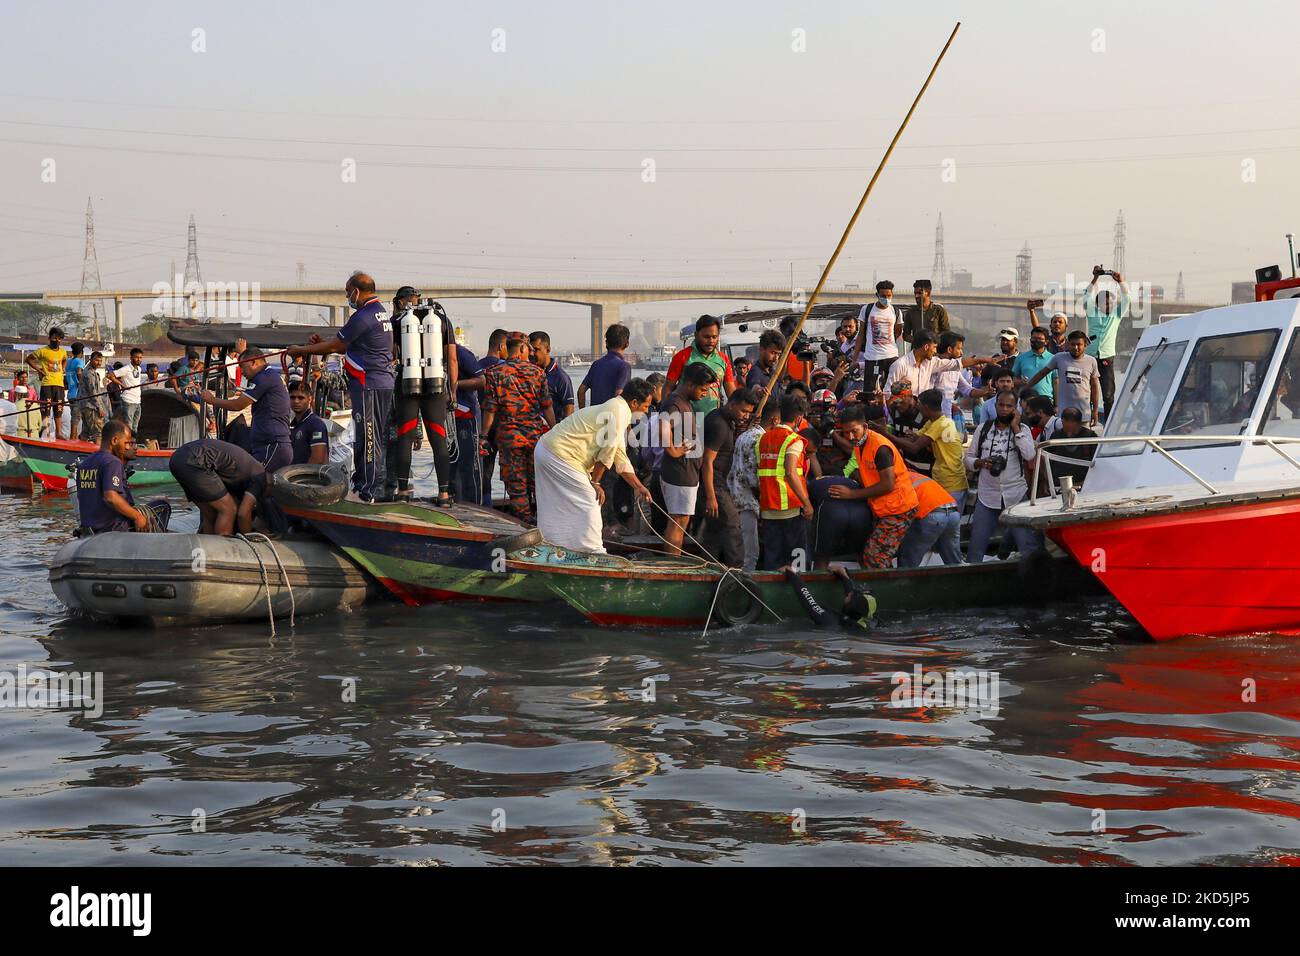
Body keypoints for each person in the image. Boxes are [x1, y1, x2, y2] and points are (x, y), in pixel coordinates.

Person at [287, 272, 394, 502]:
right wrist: (321, 345)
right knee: (369, 438)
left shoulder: (364, 315)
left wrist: (301, 351)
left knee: (368, 438)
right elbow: (346, 346)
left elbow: (338, 344)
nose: (347, 297)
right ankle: (365, 486)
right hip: (377, 384)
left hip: (369, 384)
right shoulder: (379, 313)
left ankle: (366, 491)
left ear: (357, 291)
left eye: (348, 292)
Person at [535, 378, 654, 552]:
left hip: (549, 451)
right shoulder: (618, 410)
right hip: (559, 454)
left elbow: (620, 458)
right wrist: (596, 483)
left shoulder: (618, 409)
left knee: (558, 504)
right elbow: (608, 453)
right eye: (646, 406)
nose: (647, 410)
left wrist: (638, 486)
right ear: (634, 402)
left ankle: (556, 545)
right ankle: (594, 551)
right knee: (591, 500)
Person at [386, 289, 457, 505]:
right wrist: (452, 391)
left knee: (405, 437)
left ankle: (403, 492)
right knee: (438, 438)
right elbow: (452, 359)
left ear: (400, 302)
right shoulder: (441, 319)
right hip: (435, 384)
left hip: (407, 383)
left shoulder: (396, 320)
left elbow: (391, 354)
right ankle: (444, 494)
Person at [829, 404, 918, 568]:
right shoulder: (860, 444)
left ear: (865, 427)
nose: (849, 436)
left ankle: (883, 592)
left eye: (854, 431)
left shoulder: (880, 447)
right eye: (845, 432)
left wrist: (851, 494)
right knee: (871, 555)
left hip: (898, 509)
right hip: (883, 508)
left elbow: (888, 484)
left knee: (875, 557)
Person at [481, 333, 554, 523]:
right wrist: (555, 432)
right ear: (522, 348)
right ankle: (544, 523)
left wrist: (483, 436)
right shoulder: (538, 373)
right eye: (528, 349)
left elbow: (490, 409)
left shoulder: (494, 373)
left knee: (517, 487)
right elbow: (547, 407)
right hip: (535, 438)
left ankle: (523, 527)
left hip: (509, 438)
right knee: (539, 483)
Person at [963, 390, 1041, 562]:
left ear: (1016, 408)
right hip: (987, 496)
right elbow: (967, 459)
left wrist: (1015, 427)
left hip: (1016, 495)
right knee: (976, 547)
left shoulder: (1023, 430)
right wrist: (980, 463)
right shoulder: (983, 429)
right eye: (1001, 405)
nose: (1004, 409)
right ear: (995, 406)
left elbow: (1029, 455)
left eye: (1009, 406)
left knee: (1028, 548)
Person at [201, 345, 292, 472]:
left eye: (242, 367)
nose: (242, 372)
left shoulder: (264, 377)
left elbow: (238, 405)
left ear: (254, 363)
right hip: (267, 445)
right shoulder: (267, 375)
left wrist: (211, 400)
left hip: (272, 445)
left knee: (254, 482)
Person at [658, 361, 717, 555]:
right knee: (678, 520)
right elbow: (662, 429)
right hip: (679, 473)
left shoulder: (684, 403)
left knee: (681, 520)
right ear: (690, 384)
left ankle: (673, 563)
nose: (705, 393)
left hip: (686, 472)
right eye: (703, 388)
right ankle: (672, 566)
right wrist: (674, 451)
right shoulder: (674, 403)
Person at [75, 421, 170, 534]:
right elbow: (111, 497)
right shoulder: (112, 461)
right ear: (114, 440)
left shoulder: (85, 463)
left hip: (90, 527)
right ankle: (155, 544)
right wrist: (138, 517)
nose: (129, 447)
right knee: (163, 506)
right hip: (113, 527)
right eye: (127, 443)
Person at [699, 387, 758, 567]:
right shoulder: (719, 424)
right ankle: (737, 570)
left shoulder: (724, 418)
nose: (746, 416)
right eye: (743, 411)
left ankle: (707, 566)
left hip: (719, 481)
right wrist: (711, 496)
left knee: (714, 528)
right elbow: (707, 461)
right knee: (733, 523)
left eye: (749, 412)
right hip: (715, 483)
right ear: (731, 405)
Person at [757, 392, 815, 570]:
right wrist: (807, 503)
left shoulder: (764, 438)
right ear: (799, 418)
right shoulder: (794, 440)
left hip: (768, 508)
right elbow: (790, 472)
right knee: (797, 562)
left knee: (772, 561)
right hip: (790, 508)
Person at [168, 438, 271, 536]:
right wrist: (249, 539)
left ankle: (206, 549)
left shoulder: (243, 475)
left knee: (211, 515)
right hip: (196, 460)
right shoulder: (261, 478)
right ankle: (224, 550)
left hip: (179, 458)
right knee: (228, 509)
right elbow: (243, 514)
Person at [728, 401, 777, 573]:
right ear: (775, 420)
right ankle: (747, 584)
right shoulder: (759, 439)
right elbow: (752, 475)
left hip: (738, 494)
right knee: (751, 553)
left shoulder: (746, 434)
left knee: (746, 548)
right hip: (749, 499)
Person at [1082, 266, 1131, 419]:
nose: (1108, 306)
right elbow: (1086, 295)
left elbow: (1127, 298)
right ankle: (1088, 417)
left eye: (1110, 303)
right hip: (1089, 357)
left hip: (1107, 358)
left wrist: (1121, 281)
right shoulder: (1092, 312)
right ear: (1098, 304)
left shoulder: (1117, 315)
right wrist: (1095, 277)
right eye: (1105, 303)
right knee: (1086, 391)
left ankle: (1109, 421)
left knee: (1108, 393)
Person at [1027, 330, 1101, 427]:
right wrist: (1026, 387)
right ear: (1067, 344)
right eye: (1072, 344)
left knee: (1083, 441)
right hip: (1063, 415)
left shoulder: (1091, 361)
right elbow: (1042, 373)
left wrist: (1095, 411)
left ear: (1085, 345)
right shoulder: (1059, 358)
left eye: (1079, 344)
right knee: (1062, 441)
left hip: (1084, 414)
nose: (1075, 347)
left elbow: (1095, 387)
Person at [665, 315, 736, 414]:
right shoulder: (682, 357)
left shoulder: (723, 359)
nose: (711, 341)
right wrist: (666, 412)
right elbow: (668, 388)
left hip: (713, 418)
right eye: (706, 337)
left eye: (714, 337)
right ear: (696, 335)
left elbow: (731, 392)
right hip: (687, 417)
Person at [912, 387, 968, 512]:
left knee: (950, 525)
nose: (917, 407)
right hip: (942, 481)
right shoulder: (933, 422)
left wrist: (885, 435)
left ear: (926, 407)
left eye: (919, 404)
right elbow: (914, 439)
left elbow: (914, 447)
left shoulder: (940, 424)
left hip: (952, 484)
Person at [896, 470, 961, 567]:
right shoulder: (915, 476)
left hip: (931, 514)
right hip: (953, 512)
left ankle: (904, 581)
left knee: (908, 560)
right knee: (953, 561)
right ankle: (961, 580)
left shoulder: (897, 481)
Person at [450, 341, 486, 505]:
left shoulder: (461, 353)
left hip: (466, 415)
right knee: (450, 466)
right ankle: (454, 502)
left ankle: (474, 506)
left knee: (470, 466)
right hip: (447, 418)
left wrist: (455, 384)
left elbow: (481, 380)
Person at [478, 328, 510, 506]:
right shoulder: (506, 368)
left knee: (485, 472)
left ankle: (486, 505)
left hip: (483, 427)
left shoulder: (476, 366)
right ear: (501, 346)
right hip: (504, 427)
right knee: (511, 473)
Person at [853, 280, 903, 392]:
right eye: (883, 296)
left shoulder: (896, 312)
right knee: (870, 391)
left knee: (894, 390)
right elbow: (860, 334)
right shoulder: (867, 309)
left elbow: (898, 332)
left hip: (891, 356)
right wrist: (854, 358)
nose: (886, 299)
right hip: (872, 357)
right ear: (877, 295)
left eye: (889, 296)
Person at [1040, 406, 1098, 489]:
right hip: (1058, 486)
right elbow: (1045, 459)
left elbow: (1097, 464)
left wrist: (1087, 483)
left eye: (1072, 429)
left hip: (1083, 485)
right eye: (1065, 428)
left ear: (1078, 423)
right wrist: (1046, 481)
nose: (1068, 434)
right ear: (1062, 421)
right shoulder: (1056, 436)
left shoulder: (1090, 437)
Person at [27, 327, 67, 440]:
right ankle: (46, 432)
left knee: (59, 410)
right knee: (45, 410)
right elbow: (28, 359)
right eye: (55, 338)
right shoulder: (42, 351)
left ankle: (58, 433)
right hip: (47, 384)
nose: (57, 340)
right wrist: (39, 370)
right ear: (49, 338)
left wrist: (63, 369)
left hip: (59, 384)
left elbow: (64, 359)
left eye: (59, 339)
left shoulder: (62, 351)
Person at [578, 324, 632, 408]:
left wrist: (583, 413)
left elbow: (581, 391)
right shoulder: (624, 367)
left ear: (606, 343)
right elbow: (619, 394)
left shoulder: (596, 364)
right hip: (612, 418)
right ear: (627, 343)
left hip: (594, 418)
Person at [528, 331, 575, 422]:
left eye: (536, 350)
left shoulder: (561, 377)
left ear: (548, 350)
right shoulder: (529, 373)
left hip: (552, 431)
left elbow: (569, 409)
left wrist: (561, 433)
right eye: (530, 350)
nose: (532, 354)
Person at [288, 381, 329, 465]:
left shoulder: (315, 424)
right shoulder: (292, 425)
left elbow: (318, 459)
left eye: (301, 398)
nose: (296, 401)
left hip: (310, 476)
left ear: (310, 399)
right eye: (292, 397)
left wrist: (299, 476)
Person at [902, 279, 950, 344]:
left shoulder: (939, 311)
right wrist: (917, 341)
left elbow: (946, 332)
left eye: (919, 293)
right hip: (917, 351)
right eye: (915, 293)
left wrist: (933, 339)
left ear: (928, 293)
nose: (916, 296)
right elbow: (905, 335)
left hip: (935, 350)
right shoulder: (911, 312)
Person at [109, 348, 146, 432]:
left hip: (137, 401)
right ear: (131, 357)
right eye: (136, 357)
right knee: (128, 425)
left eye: (140, 357)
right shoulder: (126, 369)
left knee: (135, 426)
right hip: (128, 400)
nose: (138, 359)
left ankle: (132, 443)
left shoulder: (139, 369)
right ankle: (128, 444)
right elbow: (110, 376)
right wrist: (122, 384)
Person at [78, 351, 112, 444]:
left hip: (85, 405)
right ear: (91, 360)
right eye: (96, 360)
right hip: (91, 406)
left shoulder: (91, 372)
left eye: (100, 361)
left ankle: (80, 450)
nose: (99, 363)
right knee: (98, 432)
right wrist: (100, 408)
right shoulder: (89, 374)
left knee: (86, 432)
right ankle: (99, 454)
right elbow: (93, 393)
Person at [1012, 327, 1054, 399]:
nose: (1036, 340)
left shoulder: (1053, 358)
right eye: (1034, 338)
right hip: (1025, 399)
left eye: (1040, 339)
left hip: (1046, 399)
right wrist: (1020, 382)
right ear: (1030, 340)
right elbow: (1012, 379)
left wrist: (1056, 404)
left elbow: (1056, 382)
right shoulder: (1021, 358)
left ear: (1046, 341)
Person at [65, 343, 84, 411]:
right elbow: (79, 372)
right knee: (77, 417)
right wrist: (82, 383)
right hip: (78, 394)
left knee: (73, 415)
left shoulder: (68, 361)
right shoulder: (79, 361)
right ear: (81, 352)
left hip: (70, 394)